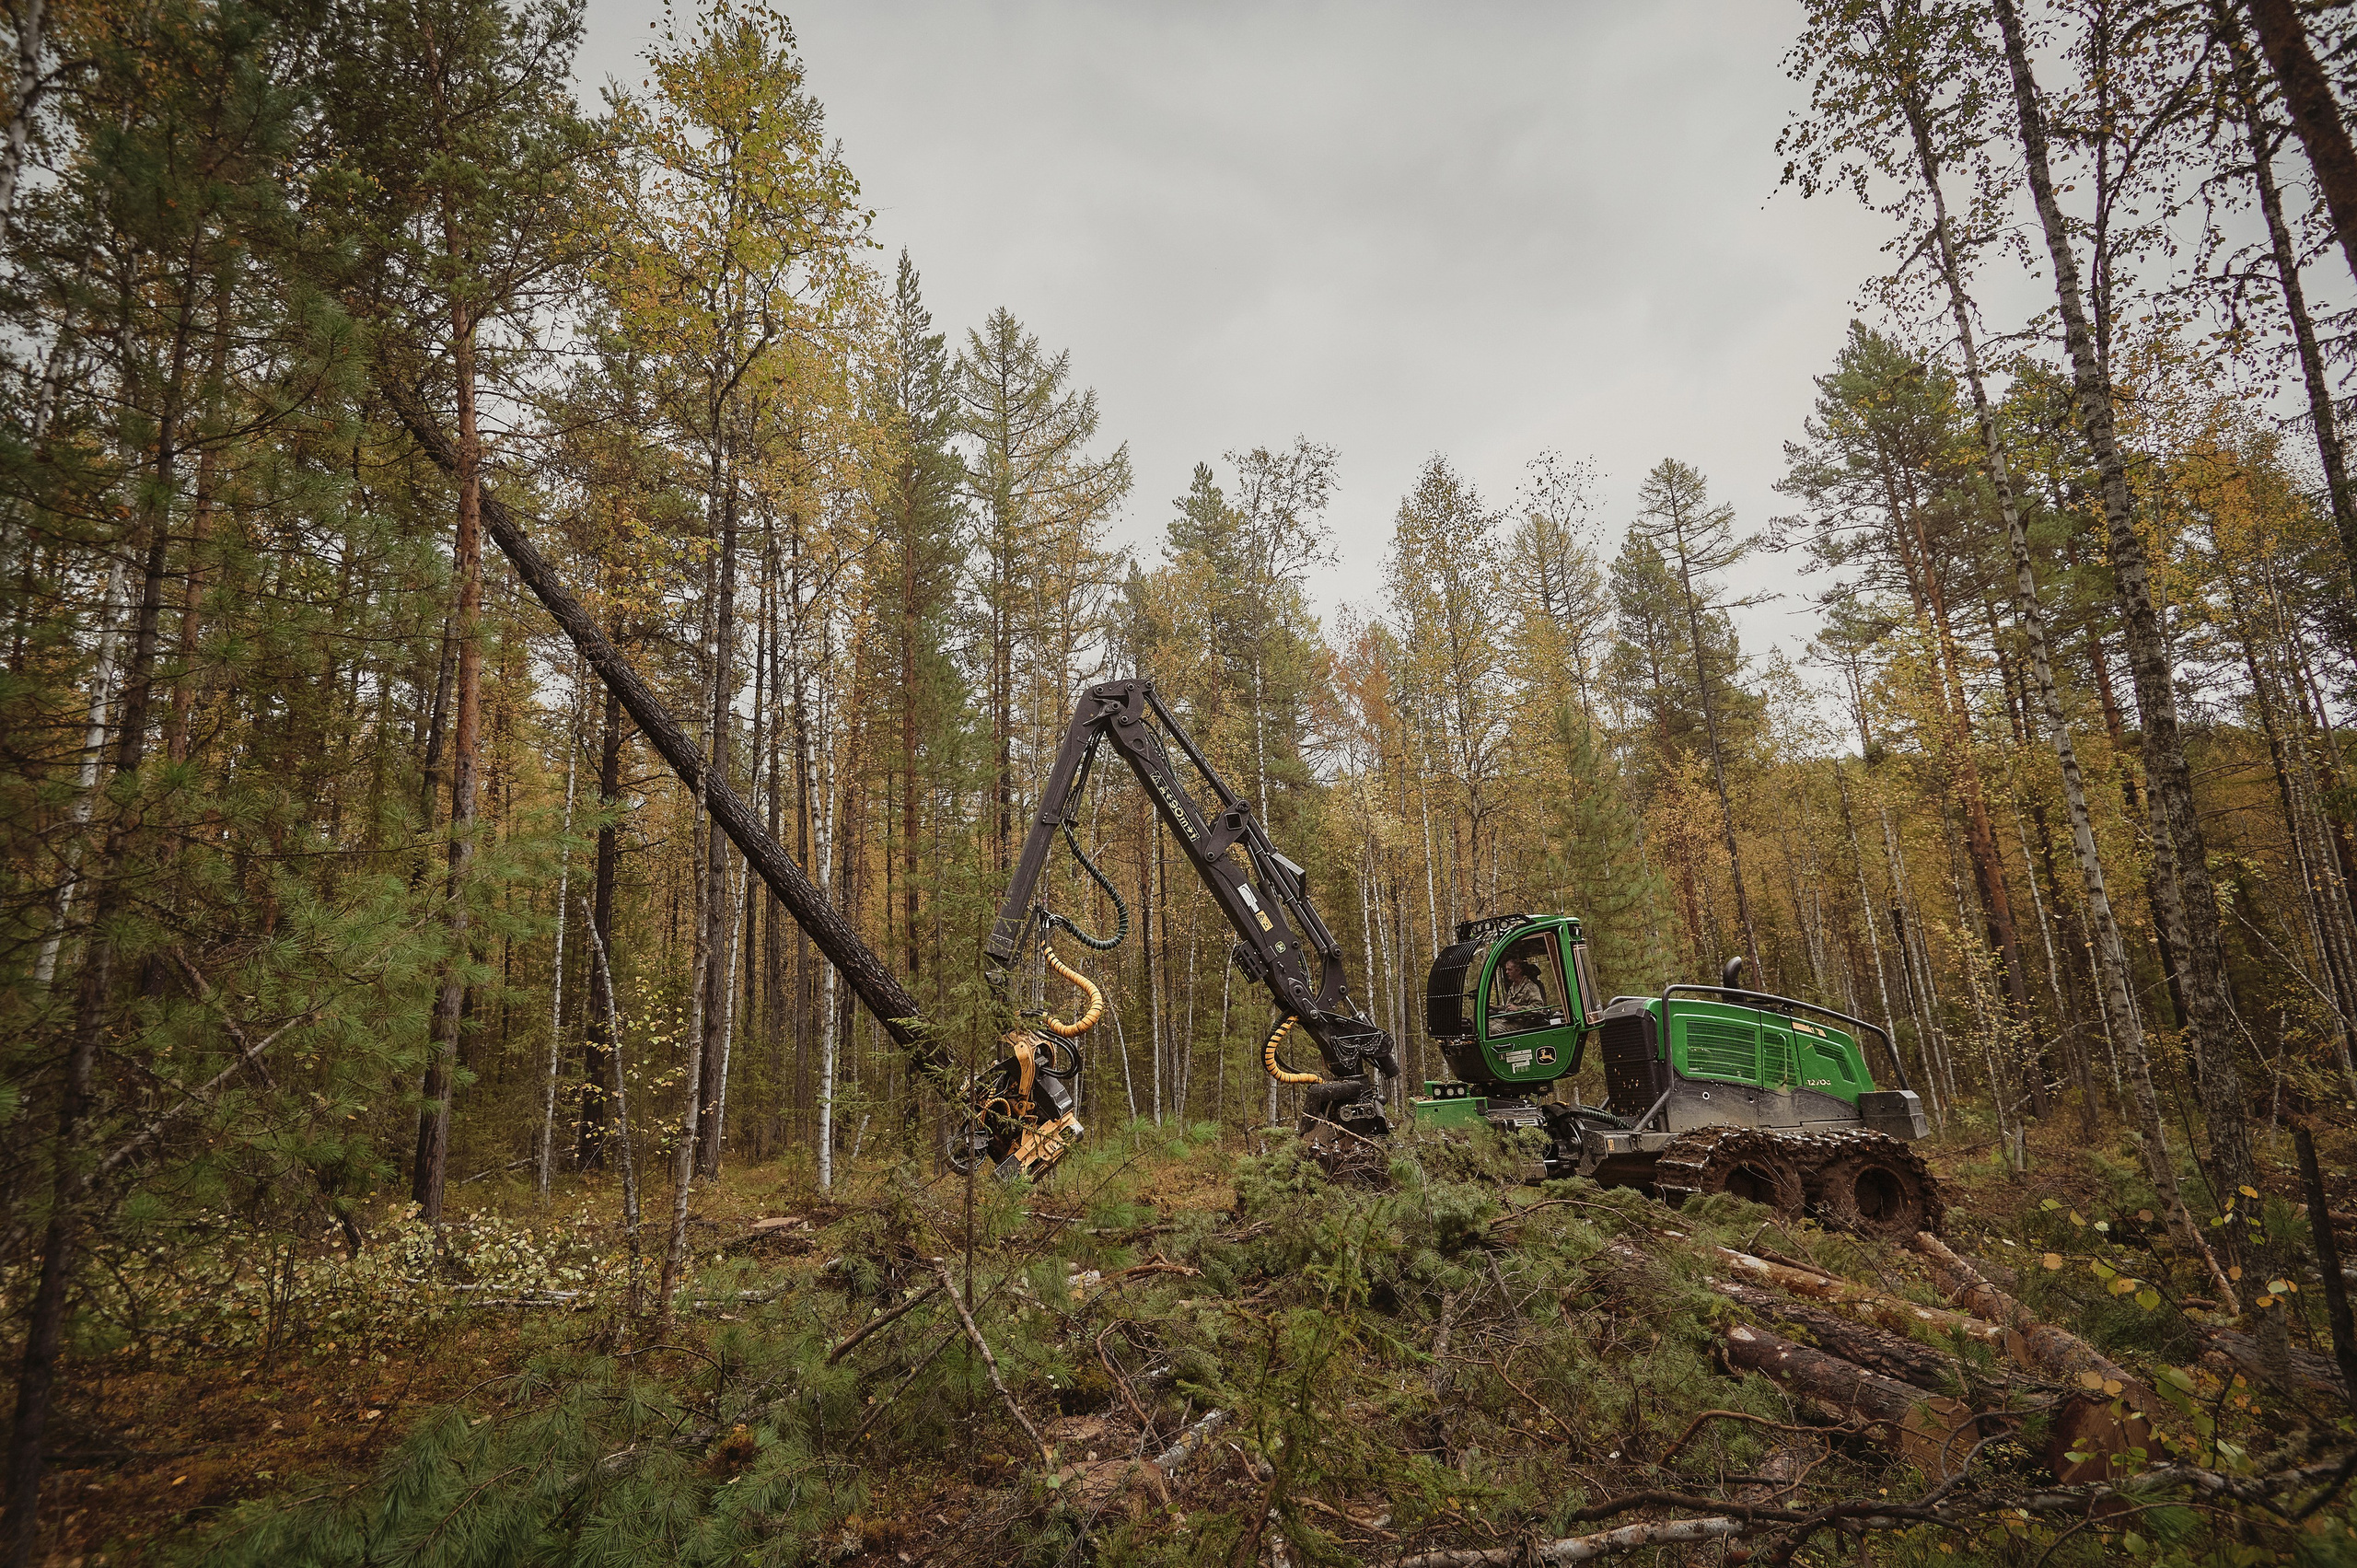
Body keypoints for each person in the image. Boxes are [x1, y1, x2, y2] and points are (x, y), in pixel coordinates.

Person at [1494, 956, 1547, 1024]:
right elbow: (1509, 1007)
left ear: (1518, 971)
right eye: (1506, 970)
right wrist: (1494, 1007)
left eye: (1509, 969)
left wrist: (1518, 1009)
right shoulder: (1512, 987)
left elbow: (1538, 1008)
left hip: (1524, 1022)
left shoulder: (1530, 987)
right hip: (1511, 1020)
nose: (1506, 972)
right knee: (1488, 1026)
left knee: (1495, 1030)